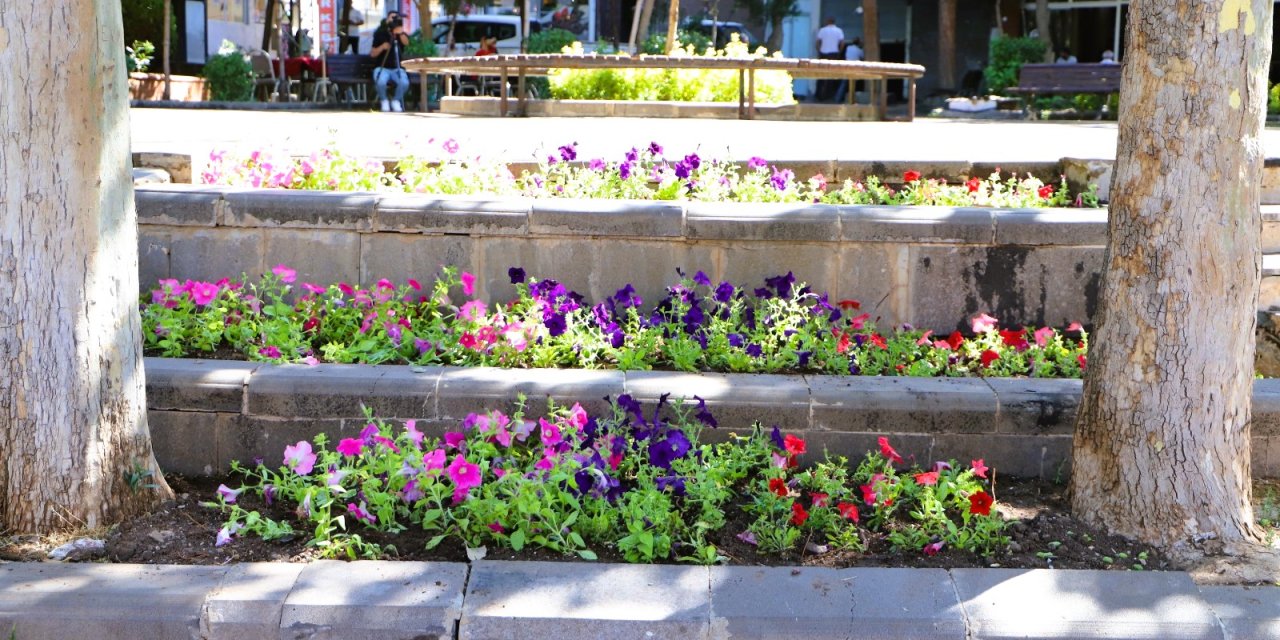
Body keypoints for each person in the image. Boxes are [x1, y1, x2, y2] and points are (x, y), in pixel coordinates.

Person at [371, 17, 410, 112]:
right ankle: (384, 100)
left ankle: (396, 100)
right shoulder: (380, 34)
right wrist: (382, 47)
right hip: (382, 67)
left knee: (404, 82)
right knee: (380, 82)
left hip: (397, 68)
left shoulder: (401, 35)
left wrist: (400, 33)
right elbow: (372, 53)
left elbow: (407, 43)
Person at [814, 17, 844, 102]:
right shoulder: (839, 31)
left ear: (827, 21)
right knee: (832, 74)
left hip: (823, 53)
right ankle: (829, 95)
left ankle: (819, 95)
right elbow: (842, 43)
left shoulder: (822, 30)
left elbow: (817, 42)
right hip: (834, 54)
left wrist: (819, 50)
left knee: (821, 74)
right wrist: (839, 52)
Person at [832, 37, 864, 104]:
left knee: (843, 84)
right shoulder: (859, 50)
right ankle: (852, 100)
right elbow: (862, 57)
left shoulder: (848, 48)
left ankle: (837, 99)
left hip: (847, 66)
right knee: (853, 85)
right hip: (855, 68)